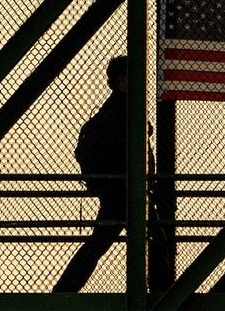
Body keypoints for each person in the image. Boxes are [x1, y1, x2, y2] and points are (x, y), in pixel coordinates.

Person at [56, 56, 165, 292]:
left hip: (120, 191)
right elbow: (124, 148)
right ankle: (163, 293)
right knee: (156, 242)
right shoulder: (121, 109)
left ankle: (64, 290)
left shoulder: (116, 108)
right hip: (126, 191)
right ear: (121, 79)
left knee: (99, 243)